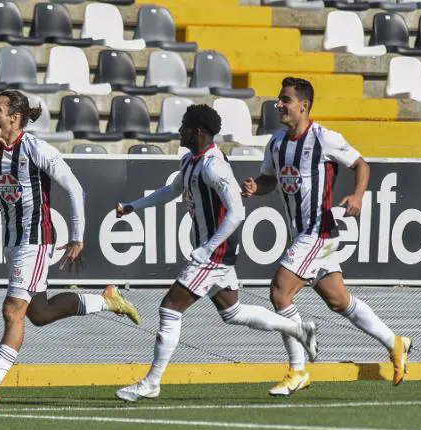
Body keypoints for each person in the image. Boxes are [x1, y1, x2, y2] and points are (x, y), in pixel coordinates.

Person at [114, 104, 318, 403]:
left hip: (215, 251)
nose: (180, 131)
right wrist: (134, 206)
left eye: (184, 126)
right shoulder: (190, 161)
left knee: (170, 307)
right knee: (232, 313)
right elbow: (170, 191)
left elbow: (236, 213)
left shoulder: (214, 166)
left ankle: (152, 382)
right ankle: (298, 328)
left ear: (197, 131)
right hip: (214, 251)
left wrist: (209, 248)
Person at [0, 90, 140, 405]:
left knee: (12, 310)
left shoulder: (36, 149)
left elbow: (74, 188)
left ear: (14, 118)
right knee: (40, 313)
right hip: (13, 241)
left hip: (36, 238)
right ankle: (107, 301)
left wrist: (78, 235)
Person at [242, 77, 412, 396]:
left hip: (317, 232)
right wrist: (256, 188)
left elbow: (361, 165)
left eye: (285, 100)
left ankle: (296, 371)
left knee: (280, 294)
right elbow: (269, 181)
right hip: (302, 234)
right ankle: (395, 342)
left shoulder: (324, 138)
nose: (279, 105)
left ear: (303, 106)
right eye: (280, 100)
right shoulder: (276, 143)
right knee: (339, 301)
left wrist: (358, 196)